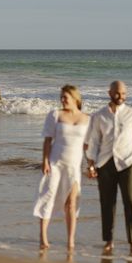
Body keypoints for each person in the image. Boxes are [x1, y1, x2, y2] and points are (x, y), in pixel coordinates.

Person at [85, 80, 132, 255]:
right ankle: (108, 241)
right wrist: (90, 165)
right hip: (105, 164)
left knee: (130, 202)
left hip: (128, 163)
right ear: (110, 93)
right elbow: (93, 142)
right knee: (107, 203)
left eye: (124, 93)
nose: (121, 97)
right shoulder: (99, 116)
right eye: (118, 93)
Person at [33, 85, 90, 251]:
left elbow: (87, 146)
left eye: (66, 97)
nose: (63, 100)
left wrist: (91, 165)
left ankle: (70, 241)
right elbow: (47, 141)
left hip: (74, 167)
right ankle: (43, 237)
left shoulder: (87, 119)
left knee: (71, 204)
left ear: (75, 99)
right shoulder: (55, 115)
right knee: (48, 197)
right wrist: (45, 161)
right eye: (61, 97)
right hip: (55, 164)